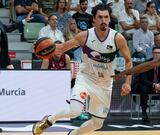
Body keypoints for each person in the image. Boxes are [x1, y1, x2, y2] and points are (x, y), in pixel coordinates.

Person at [32, 3, 132, 135]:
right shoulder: (84, 36)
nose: (104, 20)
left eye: (106, 17)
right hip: (86, 79)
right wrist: (43, 48)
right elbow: (61, 48)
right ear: (94, 20)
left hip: (104, 84)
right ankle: (49, 120)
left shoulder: (118, 38)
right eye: (100, 17)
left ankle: (73, 134)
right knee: (75, 111)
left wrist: (127, 82)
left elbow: (129, 61)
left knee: (97, 123)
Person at [132, 46, 160, 123]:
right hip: (144, 85)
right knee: (144, 88)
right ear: (152, 54)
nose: (157, 55)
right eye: (155, 53)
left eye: (159, 53)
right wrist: (154, 85)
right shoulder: (146, 63)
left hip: (158, 86)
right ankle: (144, 113)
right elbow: (143, 80)